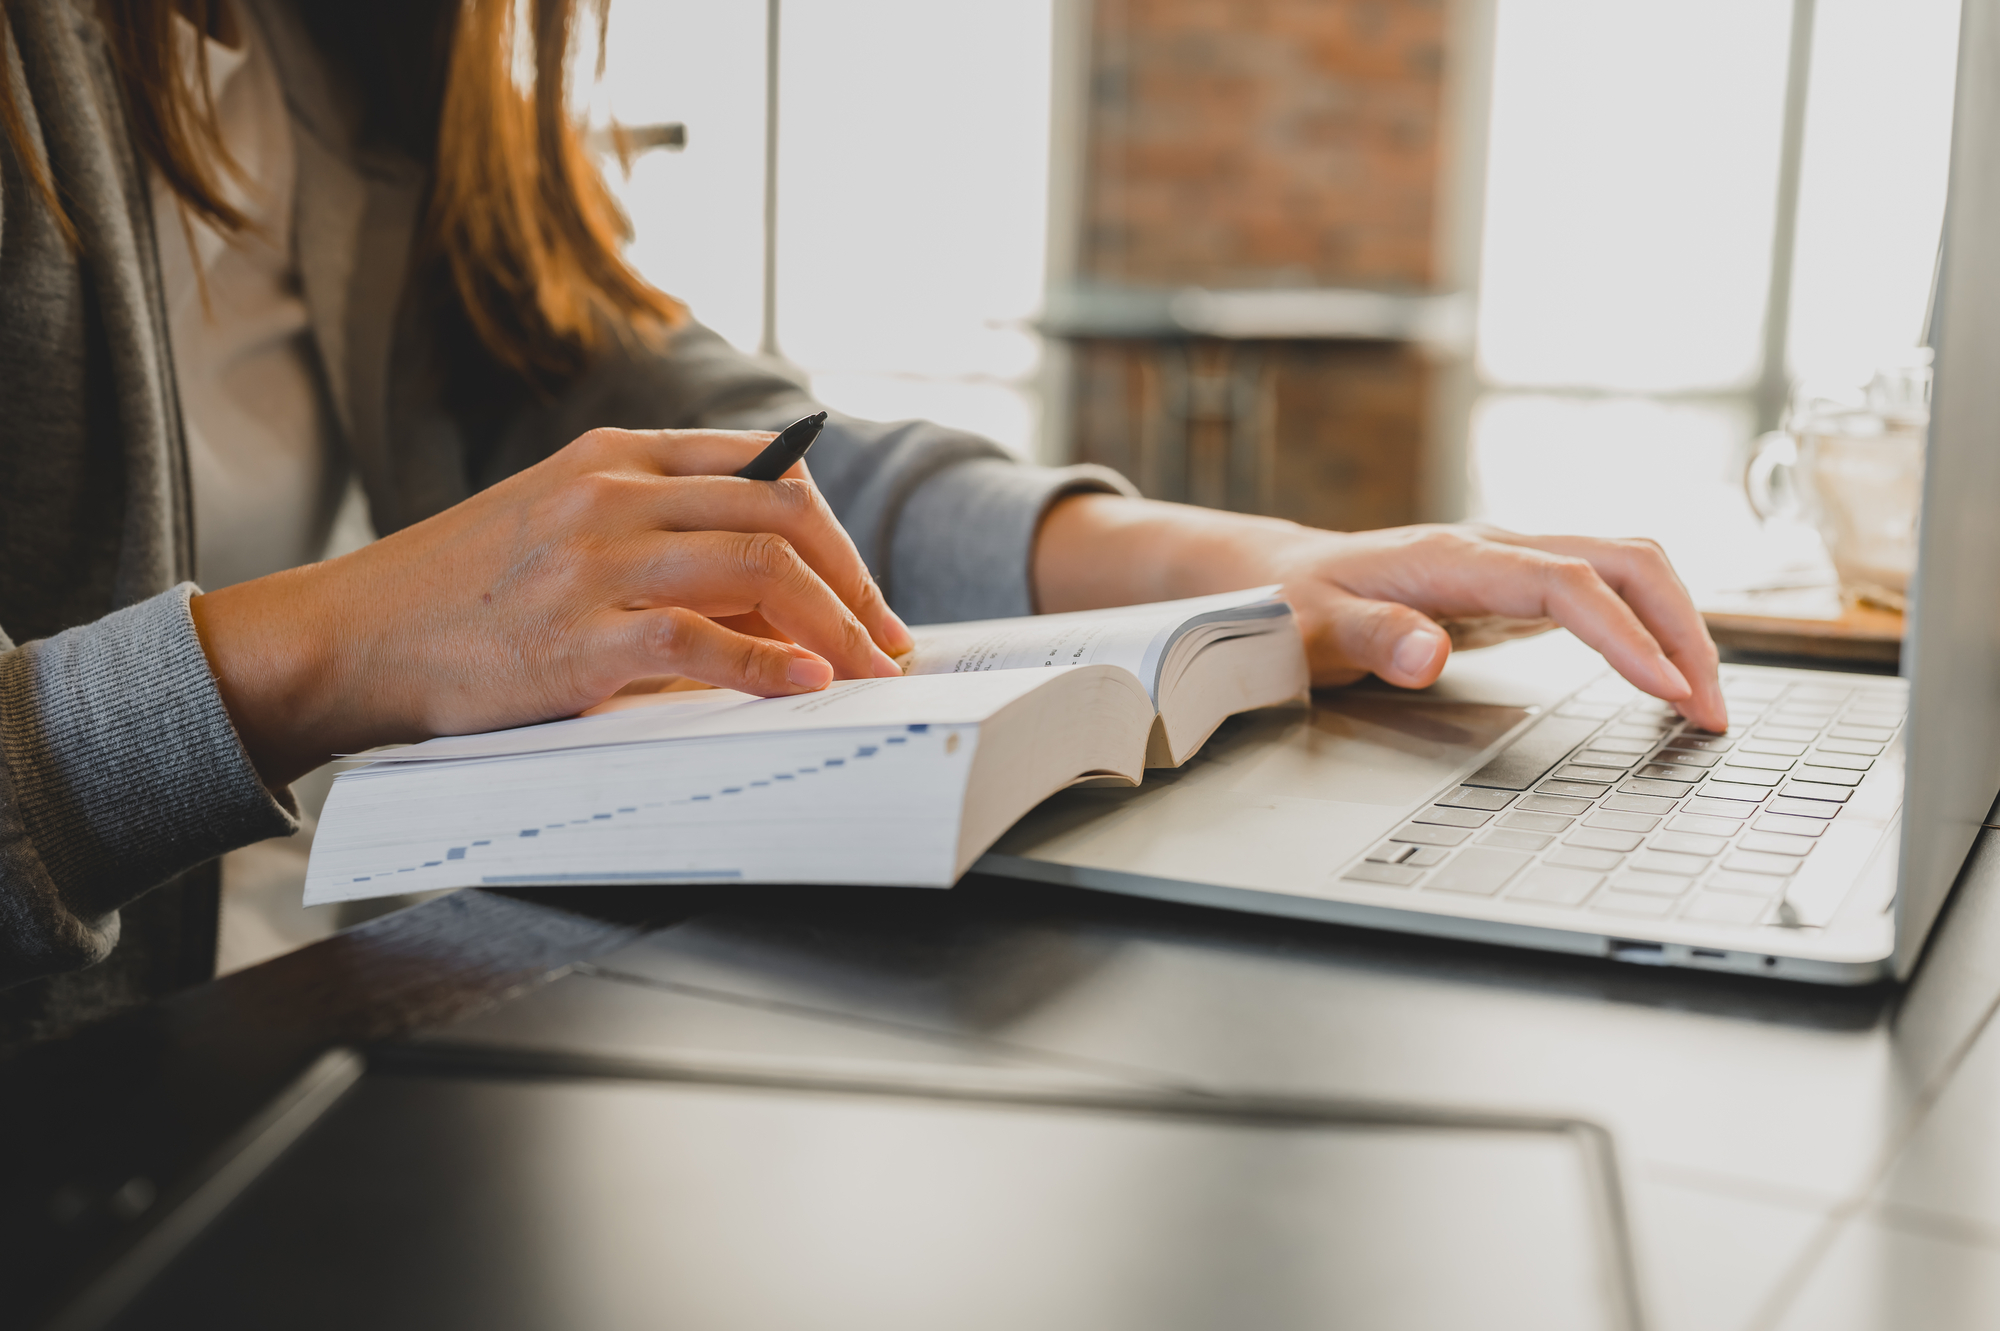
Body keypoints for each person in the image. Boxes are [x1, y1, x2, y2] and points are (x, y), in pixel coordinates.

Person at [0, 0, 1725, 1048]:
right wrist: (328, 649)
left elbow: (749, 468)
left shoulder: (362, 63)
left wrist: (1250, 565)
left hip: (238, 1037)